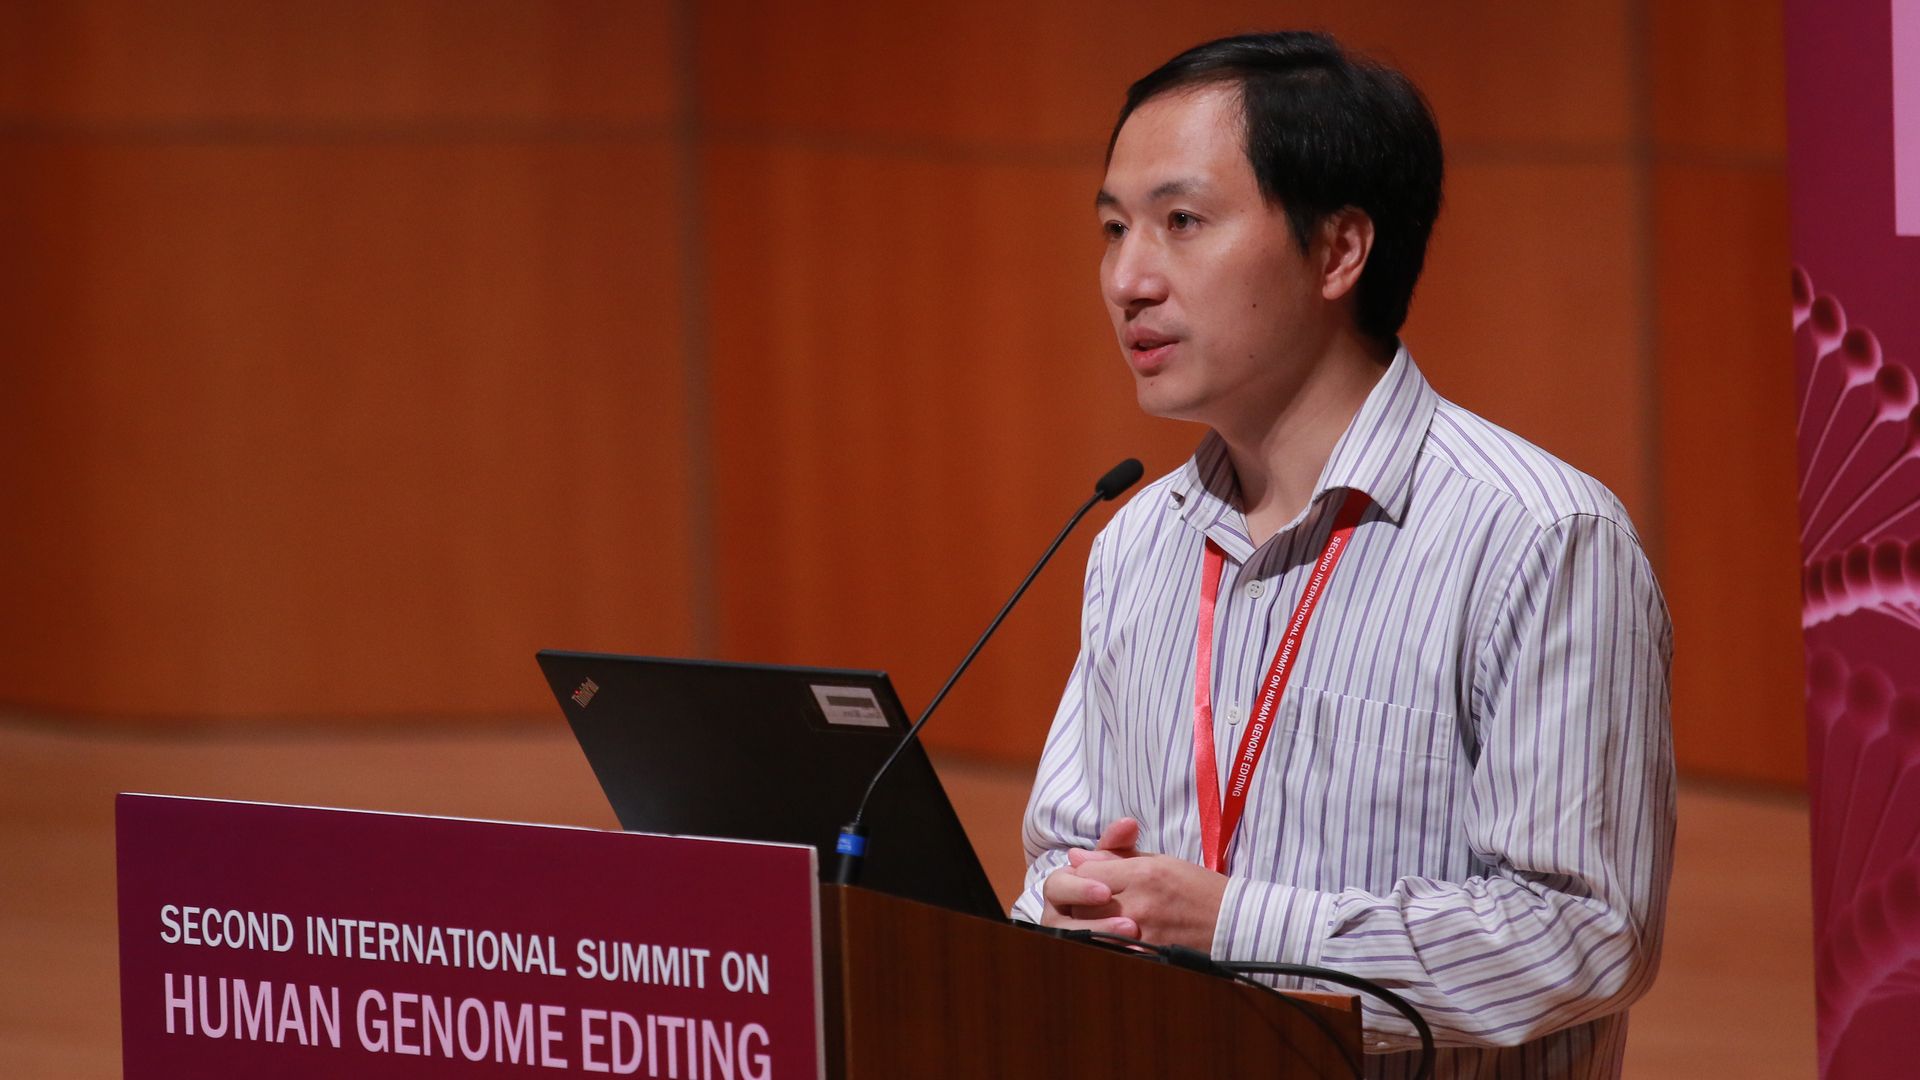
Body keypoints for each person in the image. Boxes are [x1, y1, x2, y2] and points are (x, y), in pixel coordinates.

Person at [1010, 31, 1675, 1078]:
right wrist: (1067, 906)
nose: (1128, 279)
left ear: (1338, 251)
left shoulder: (1539, 538)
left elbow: (1582, 934)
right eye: (1113, 229)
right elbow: (1062, 847)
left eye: (1181, 223)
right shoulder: (1136, 540)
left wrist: (1236, 924)